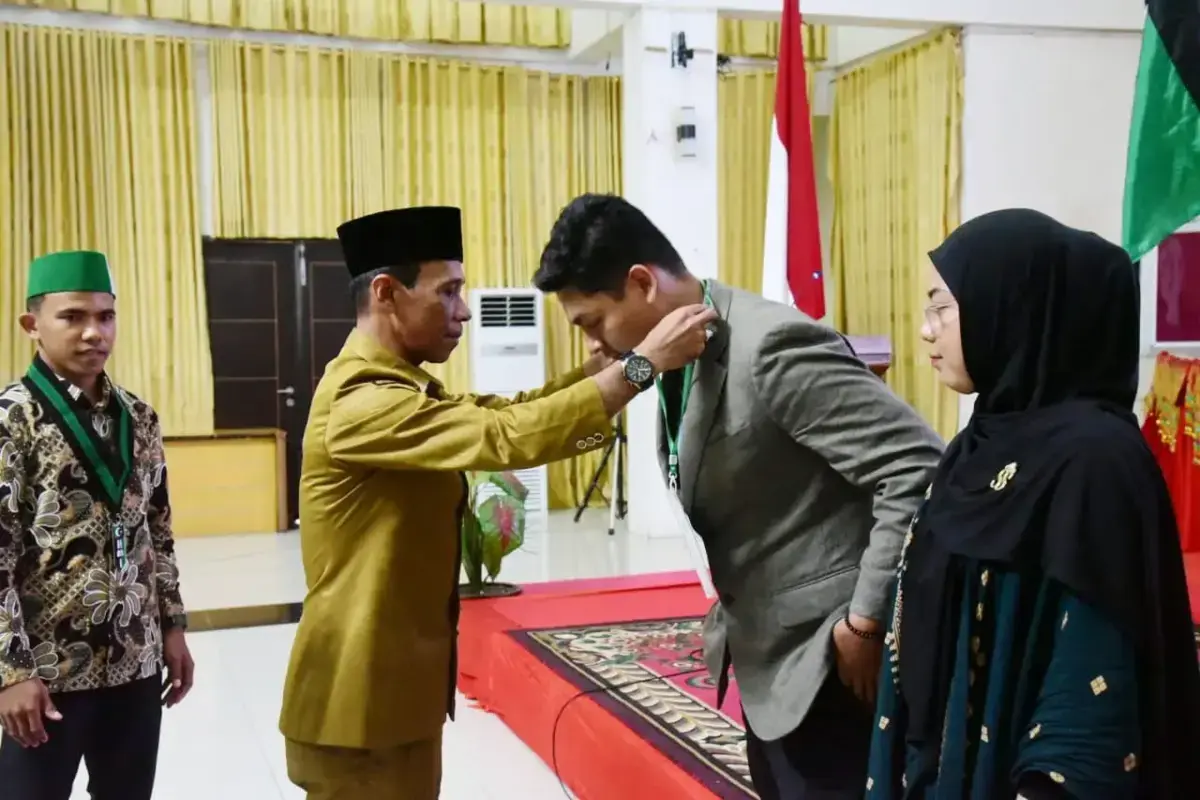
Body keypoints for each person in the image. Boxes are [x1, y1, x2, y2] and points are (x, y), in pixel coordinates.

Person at [278, 206, 717, 799]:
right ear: (386, 293)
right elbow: (506, 437)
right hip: (356, 704)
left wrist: (599, 371)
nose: (462, 311)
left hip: (389, 695)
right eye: (448, 291)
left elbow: (506, 411)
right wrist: (641, 368)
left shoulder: (400, 385)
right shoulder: (361, 402)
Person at [533, 194, 943, 799]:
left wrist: (864, 621)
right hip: (764, 657)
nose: (593, 345)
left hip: (828, 658)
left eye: (593, 322)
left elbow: (916, 465)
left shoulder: (769, 346)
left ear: (642, 283)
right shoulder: (674, 360)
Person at [865, 209, 1200, 798]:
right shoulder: (979, 442)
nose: (926, 331)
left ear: (1012, 308)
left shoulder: (1096, 462)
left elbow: (1095, 669)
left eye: (942, 308)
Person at [0, 250, 194, 800]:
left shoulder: (138, 417)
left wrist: (173, 627)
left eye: (105, 316)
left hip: (135, 660)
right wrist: (12, 672)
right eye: (73, 317)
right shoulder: (11, 420)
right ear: (32, 325)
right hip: (48, 671)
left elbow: (158, 531)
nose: (94, 332)